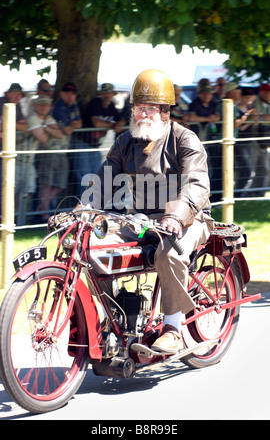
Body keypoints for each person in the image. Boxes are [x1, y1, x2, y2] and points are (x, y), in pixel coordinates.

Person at [73, 69, 214, 354]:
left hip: (188, 219)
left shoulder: (184, 140)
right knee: (89, 247)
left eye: (150, 108)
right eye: (138, 108)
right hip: (140, 220)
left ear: (164, 111)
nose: (142, 114)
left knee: (169, 253)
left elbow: (197, 186)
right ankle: (114, 318)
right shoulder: (125, 142)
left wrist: (175, 217)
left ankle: (173, 328)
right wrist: (79, 212)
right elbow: (103, 184)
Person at [72, 82, 126, 197]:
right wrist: (113, 125)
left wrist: (119, 124)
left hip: (94, 146)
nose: (107, 95)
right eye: (105, 93)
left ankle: (90, 205)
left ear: (112, 95)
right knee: (84, 177)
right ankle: (82, 208)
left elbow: (121, 120)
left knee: (95, 177)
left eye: (110, 93)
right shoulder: (95, 103)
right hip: (82, 144)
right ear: (100, 94)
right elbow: (96, 122)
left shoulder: (111, 106)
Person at [27, 95, 65, 221]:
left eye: (46, 104)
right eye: (41, 104)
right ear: (35, 106)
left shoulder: (48, 118)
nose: (44, 107)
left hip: (55, 154)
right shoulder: (32, 118)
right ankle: (43, 216)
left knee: (59, 185)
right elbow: (43, 139)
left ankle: (41, 209)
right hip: (34, 156)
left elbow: (59, 134)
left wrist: (44, 127)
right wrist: (49, 128)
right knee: (44, 185)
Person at [188, 79, 221, 201]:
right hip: (197, 142)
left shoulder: (213, 103)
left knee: (210, 170)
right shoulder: (194, 103)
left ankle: (207, 196)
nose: (207, 95)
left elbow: (218, 116)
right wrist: (208, 118)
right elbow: (191, 117)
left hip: (209, 141)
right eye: (204, 93)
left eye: (209, 93)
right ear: (200, 94)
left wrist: (212, 118)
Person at [0, 83, 28, 209]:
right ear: (7, 94)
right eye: (14, 93)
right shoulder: (2, 103)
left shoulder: (17, 107)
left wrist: (8, 123)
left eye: (19, 94)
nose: (17, 96)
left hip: (6, 150)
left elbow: (25, 128)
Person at [234, 87, 256, 196]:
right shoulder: (236, 109)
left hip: (248, 141)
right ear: (241, 97)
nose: (249, 100)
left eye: (250, 98)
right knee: (247, 171)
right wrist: (248, 116)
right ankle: (240, 194)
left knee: (247, 170)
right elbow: (239, 127)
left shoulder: (250, 108)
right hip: (239, 143)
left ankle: (240, 194)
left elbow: (248, 124)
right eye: (247, 97)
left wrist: (252, 119)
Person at [252, 83, 270, 196]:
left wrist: (262, 117)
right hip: (254, 138)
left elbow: (261, 117)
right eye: (267, 92)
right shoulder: (254, 102)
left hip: (265, 139)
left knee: (265, 168)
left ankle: (260, 192)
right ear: (262, 92)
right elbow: (255, 117)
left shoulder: (267, 103)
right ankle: (247, 193)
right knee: (251, 169)